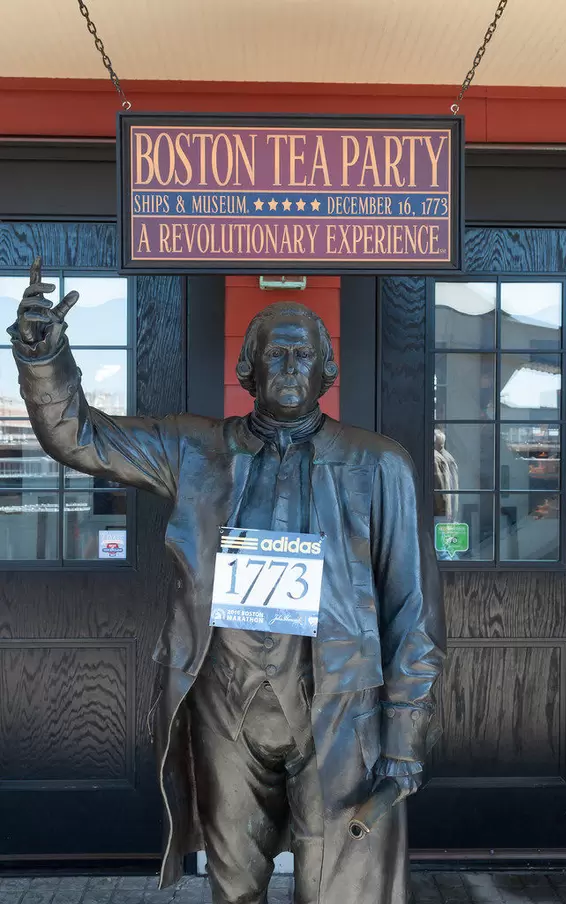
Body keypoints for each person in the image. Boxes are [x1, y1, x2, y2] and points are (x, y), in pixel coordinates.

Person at [9, 258, 445, 904]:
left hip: (337, 706)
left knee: (341, 886)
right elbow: (82, 438)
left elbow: (413, 609)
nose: (289, 367)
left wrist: (405, 732)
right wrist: (44, 356)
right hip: (225, 705)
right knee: (233, 879)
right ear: (249, 370)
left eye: (303, 355)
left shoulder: (379, 466)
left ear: (327, 371)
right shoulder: (195, 449)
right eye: (275, 354)